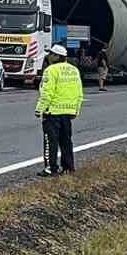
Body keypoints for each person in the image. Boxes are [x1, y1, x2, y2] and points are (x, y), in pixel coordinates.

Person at [35, 44, 82, 176]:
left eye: (51, 54)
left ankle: (51, 168)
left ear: (57, 56)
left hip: (52, 112)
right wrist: (76, 110)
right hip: (68, 112)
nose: (49, 56)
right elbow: (79, 93)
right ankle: (68, 167)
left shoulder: (51, 70)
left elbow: (47, 93)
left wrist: (39, 109)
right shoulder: (74, 70)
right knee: (66, 141)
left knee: (51, 141)